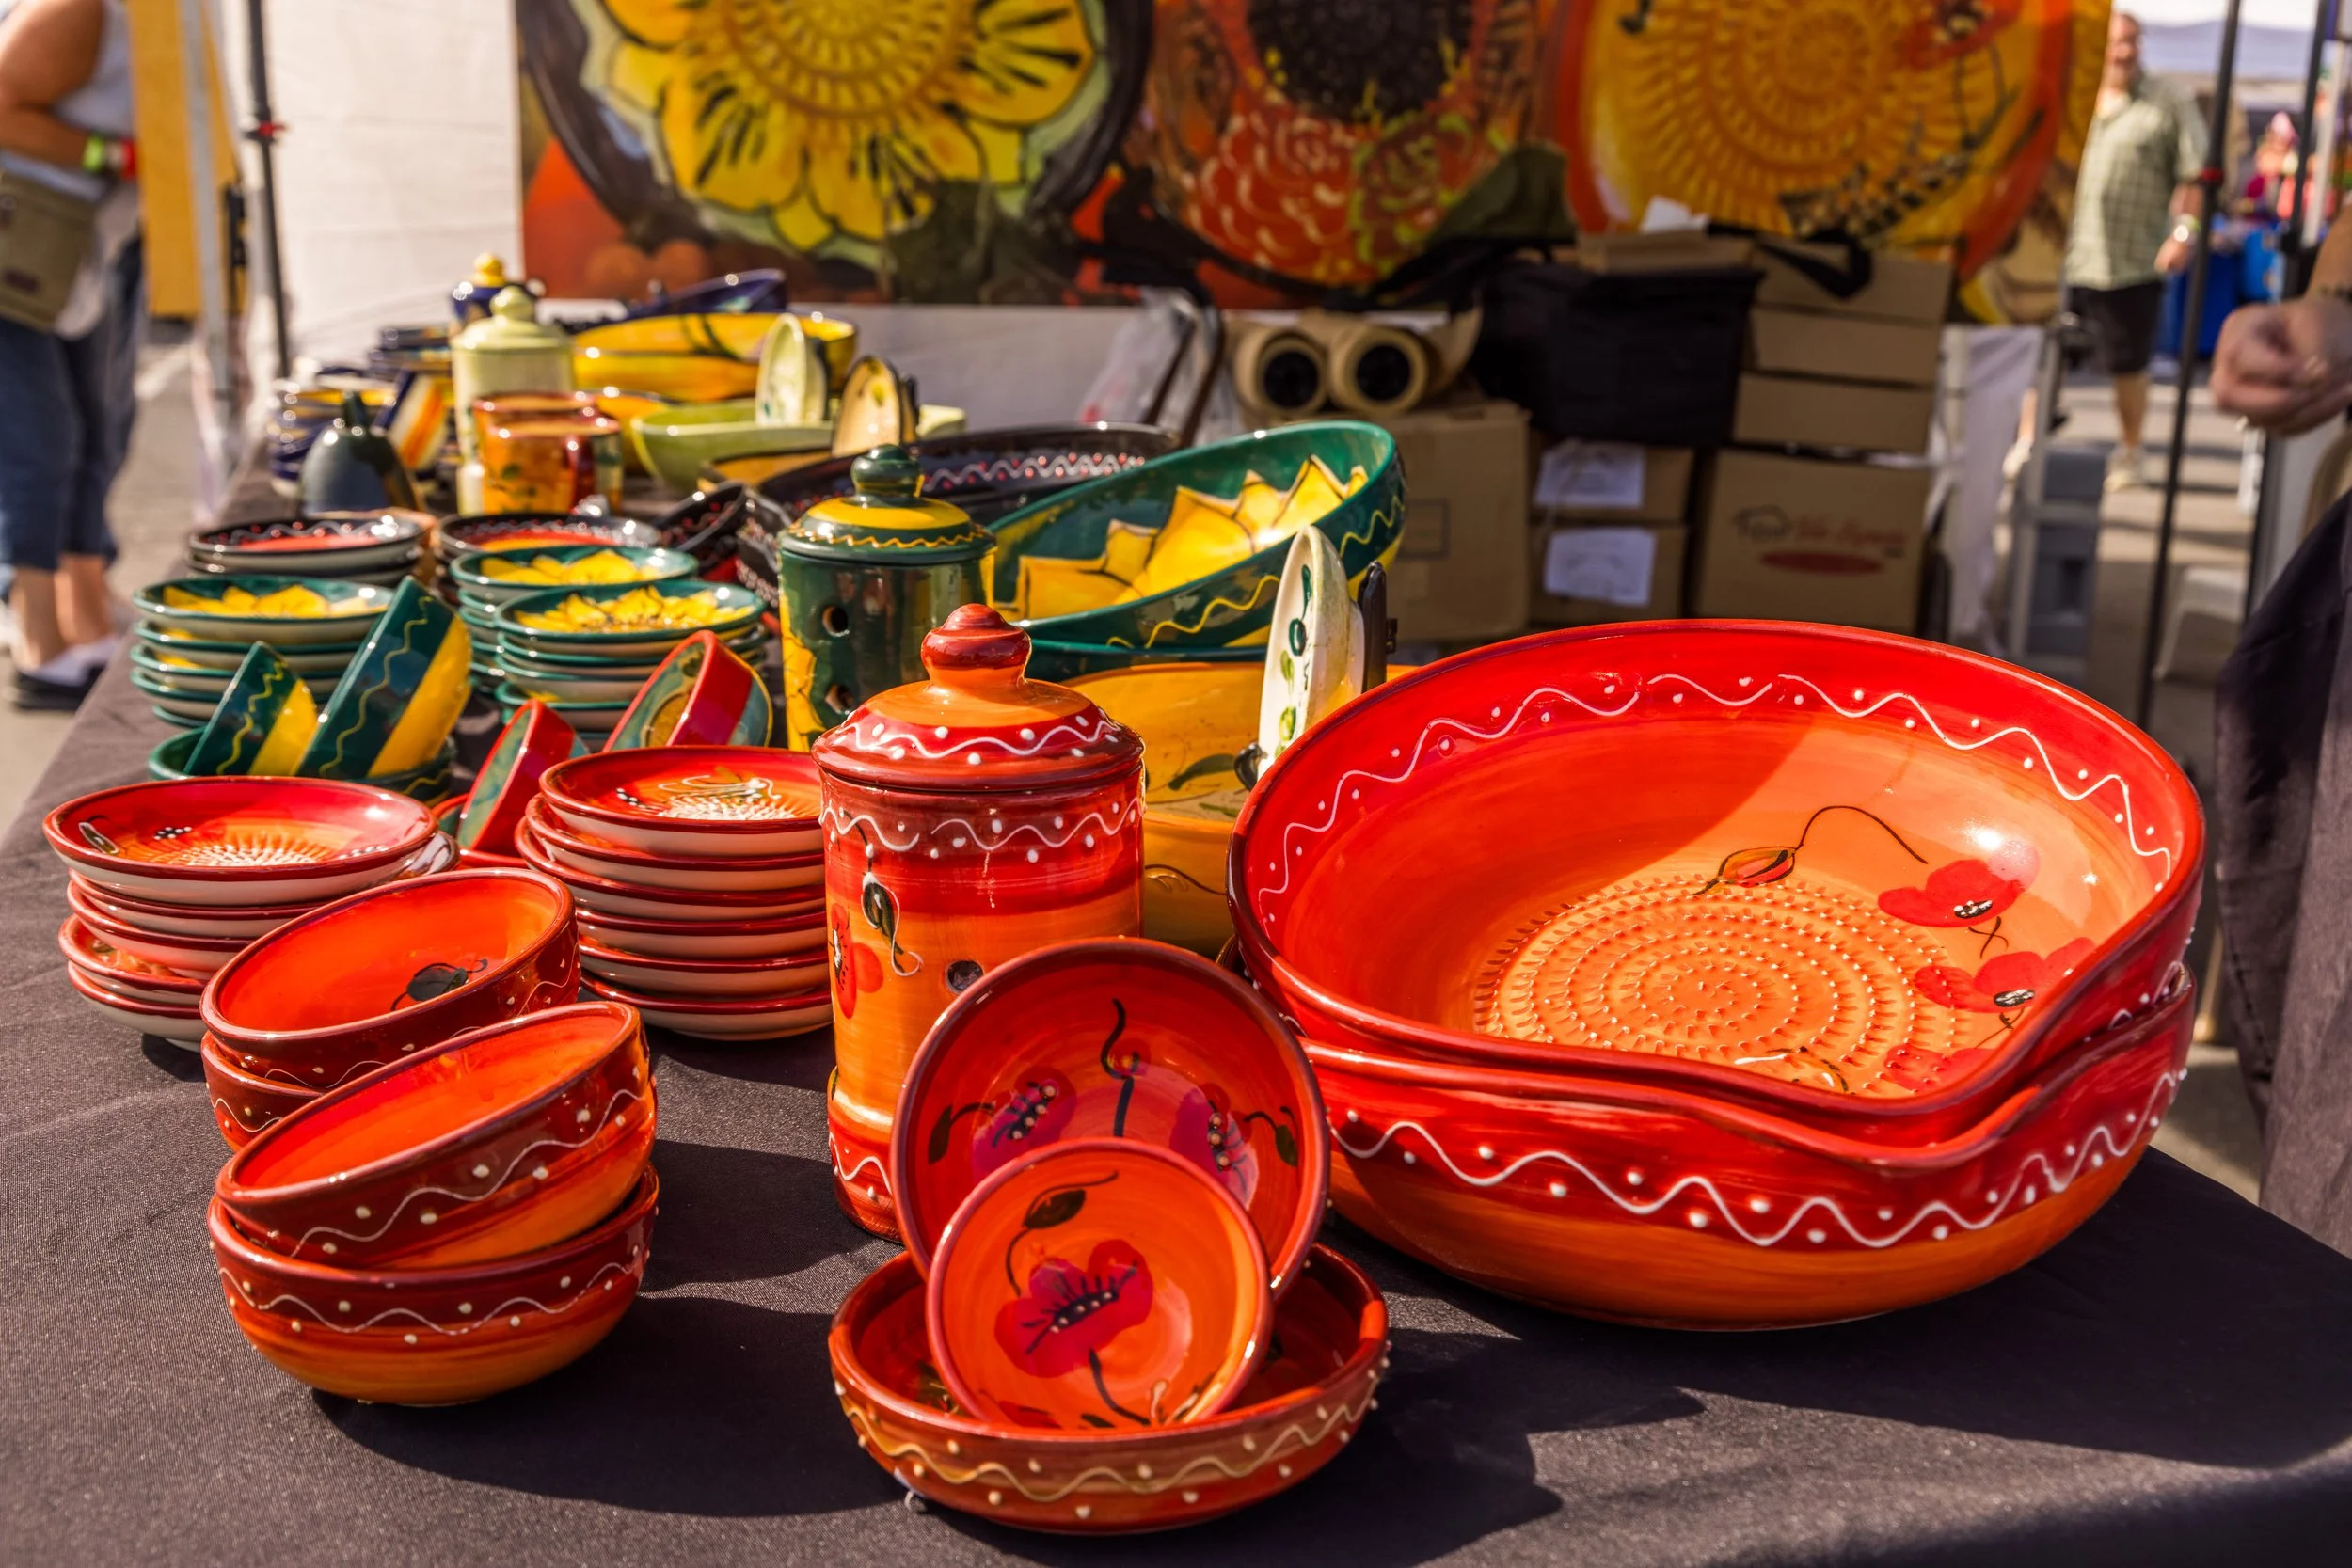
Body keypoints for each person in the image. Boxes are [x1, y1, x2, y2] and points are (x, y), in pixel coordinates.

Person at [0, 0, 139, 710]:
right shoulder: (80, 10)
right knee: (37, 444)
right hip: (17, 254)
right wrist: (112, 157)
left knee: (95, 430)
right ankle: (36, 640)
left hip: (72, 261)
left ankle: (83, 615)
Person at [2062, 9, 2205, 493]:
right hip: (2067, 254)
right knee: (2040, 356)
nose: (2125, 51)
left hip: (2130, 258)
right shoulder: (2074, 92)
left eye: (2133, 41)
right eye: (2117, 42)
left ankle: (2130, 451)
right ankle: (2026, 443)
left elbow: (2196, 174)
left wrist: (2184, 233)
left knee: (2128, 364)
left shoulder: (2168, 101)